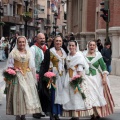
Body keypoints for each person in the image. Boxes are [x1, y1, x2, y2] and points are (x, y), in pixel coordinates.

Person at [6, 36, 42, 120]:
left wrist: (34, 78)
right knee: (18, 95)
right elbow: (10, 66)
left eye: (23, 42)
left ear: (25, 43)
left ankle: (23, 115)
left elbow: (32, 67)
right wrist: (12, 72)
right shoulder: (13, 53)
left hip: (27, 76)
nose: (22, 44)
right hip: (17, 76)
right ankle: (18, 114)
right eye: (20, 42)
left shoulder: (29, 53)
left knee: (26, 95)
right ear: (17, 43)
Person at [83, 40, 114, 120]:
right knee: (89, 95)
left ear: (95, 46)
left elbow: (104, 67)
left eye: (93, 45)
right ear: (88, 46)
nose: (92, 46)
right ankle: (92, 114)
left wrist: (104, 78)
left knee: (96, 94)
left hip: (96, 78)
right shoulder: (83, 55)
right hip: (86, 77)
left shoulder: (98, 55)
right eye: (90, 45)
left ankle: (97, 113)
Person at [62, 40, 94, 120]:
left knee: (77, 96)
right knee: (70, 96)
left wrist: (78, 80)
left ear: (76, 46)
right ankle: (73, 114)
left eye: (73, 45)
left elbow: (80, 69)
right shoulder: (68, 56)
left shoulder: (79, 56)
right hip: (68, 77)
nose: (71, 47)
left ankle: (77, 115)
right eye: (70, 45)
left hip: (76, 77)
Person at [40, 35, 67, 120]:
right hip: (52, 76)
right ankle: (52, 112)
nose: (58, 42)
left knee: (60, 94)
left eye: (60, 41)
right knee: (52, 95)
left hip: (62, 76)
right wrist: (46, 76)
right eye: (57, 41)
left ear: (62, 42)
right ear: (54, 42)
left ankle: (57, 113)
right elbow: (45, 64)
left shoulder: (64, 51)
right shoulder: (49, 51)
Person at [30, 33, 45, 118]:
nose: (42, 40)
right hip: (35, 74)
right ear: (36, 39)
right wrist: (34, 74)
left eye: (43, 38)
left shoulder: (42, 48)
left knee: (39, 93)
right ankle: (35, 112)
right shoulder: (33, 48)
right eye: (40, 38)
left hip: (41, 74)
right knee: (35, 93)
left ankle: (38, 110)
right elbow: (31, 62)